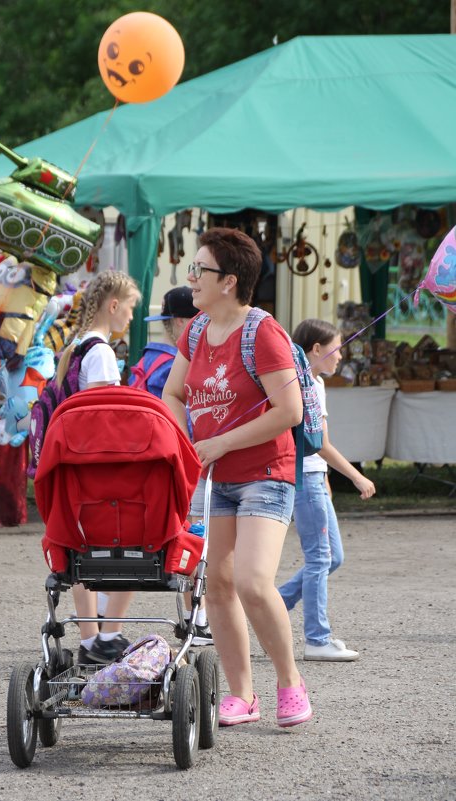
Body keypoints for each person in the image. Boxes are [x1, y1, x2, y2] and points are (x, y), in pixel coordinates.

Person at [163, 227, 313, 728]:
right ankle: (242, 695)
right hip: (213, 476)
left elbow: (289, 411)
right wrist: (183, 443)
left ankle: (290, 682)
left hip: (267, 472)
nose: (190, 281)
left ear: (228, 280)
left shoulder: (263, 332)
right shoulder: (196, 329)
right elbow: (173, 394)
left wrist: (221, 442)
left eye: (198, 270)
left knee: (251, 581)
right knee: (217, 584)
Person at [56, 270, 142, 665]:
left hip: (73, 465)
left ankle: (91, 640)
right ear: (112, 304)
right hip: (100, 466)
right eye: (128, 308)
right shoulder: (103, 353)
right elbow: (104, 417)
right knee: (140, 540)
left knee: (80, 552)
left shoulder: (74, 348)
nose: (130, 317)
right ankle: (110, 635)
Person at [278, 319, 376, 661]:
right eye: (336, 349)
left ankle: (275, 603)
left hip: (314, 479)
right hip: (306, 479)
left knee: (333, 556)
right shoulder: (309, 383)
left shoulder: (312, 382)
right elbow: (321, 445)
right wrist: (356, 477)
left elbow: (316, 443)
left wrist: (328, 480)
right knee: (321, 558)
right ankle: (317, 639)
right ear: (316, 349)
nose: (340, 357)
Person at [130, 285, 213, 645]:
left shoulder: (146, 362)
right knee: (194, 540)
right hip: (181, 465)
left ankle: (107, 624)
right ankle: (199, 621)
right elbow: (187, 422)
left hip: (144, 468)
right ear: (183, 322)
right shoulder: (178, 369)